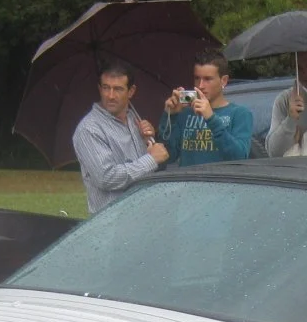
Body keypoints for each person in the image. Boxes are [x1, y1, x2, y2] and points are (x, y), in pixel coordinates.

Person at [72, 61, 169, 216]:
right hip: (111, 221)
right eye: (106, 88)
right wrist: (151, 159)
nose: (110, 96)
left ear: (131, 91)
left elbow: (145, 170)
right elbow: (106, 178)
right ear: (99, 89)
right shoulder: (89, 129)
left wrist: (148, 142)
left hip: (143, 215)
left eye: (118, 89)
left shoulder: (134, 120)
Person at [157, 50, 253, 165]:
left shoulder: (239, 114)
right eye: (197, 78)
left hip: (220, 177)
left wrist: (211, 118)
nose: (201, 85)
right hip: (187, 177)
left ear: (224, 81)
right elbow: (167, 156)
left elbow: (239, 157)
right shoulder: (186, 113)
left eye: (208, 79)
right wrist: (170, 116)